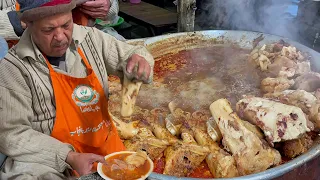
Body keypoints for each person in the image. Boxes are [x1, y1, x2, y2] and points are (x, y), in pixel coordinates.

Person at [0, 0, 154, 179]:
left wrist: (139, 59)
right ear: (28, 25)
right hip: (47, 160)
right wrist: (69, 156)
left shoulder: (90, 38)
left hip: (104, 149)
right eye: (48, 30)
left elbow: (131, 53)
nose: (60, 37)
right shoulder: (14, 68)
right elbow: (11, 134)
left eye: (66, 25)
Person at [0, 0, 122, 41]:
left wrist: (108, 5)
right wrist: (18, 21)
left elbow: (112, 11)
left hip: (86, 36)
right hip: (22, 45)